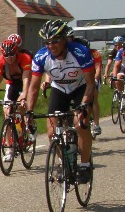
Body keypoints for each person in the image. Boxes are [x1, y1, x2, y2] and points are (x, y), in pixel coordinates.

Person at [25, 19, 95, 184]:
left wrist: (84, 105)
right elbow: (33, 88)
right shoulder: (41, 56)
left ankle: (85, 165)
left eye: (55, 41)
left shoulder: (80, 52)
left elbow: (91, 83)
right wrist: (29, 111)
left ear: (64, 39)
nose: (51, 46)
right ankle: (64, 163)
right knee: (51, 132)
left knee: (80, 123)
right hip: (59, 89)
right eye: (47, 42)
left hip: (81, 88)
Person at [0, 34, 34, 161]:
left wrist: (23, 96)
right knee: (7, 114)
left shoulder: (25, 58)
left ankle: (28, 124)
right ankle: (10, 150)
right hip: (12, 84)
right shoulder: (0, 61)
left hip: (24, 82)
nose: (9, 58)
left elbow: (26, 79)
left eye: (12, 54)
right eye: (6, 55)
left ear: (16, 52)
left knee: (22, 106)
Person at [72, 36, 103, 136]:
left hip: (93, 77)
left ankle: (96, 124)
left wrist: (95, 80)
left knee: (93, 97)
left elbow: (98, 68)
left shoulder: (94, 53)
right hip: (80, 79)